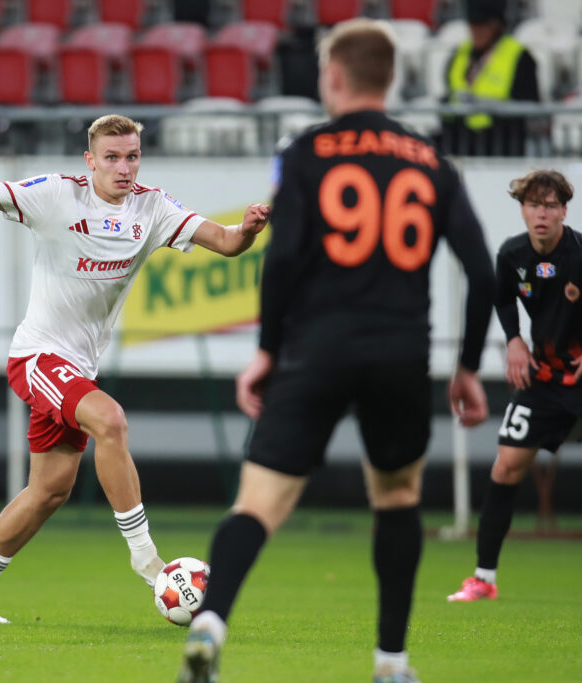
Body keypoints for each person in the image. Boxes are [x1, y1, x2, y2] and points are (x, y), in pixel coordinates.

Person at [177, 19, 497, 683]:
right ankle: (391, 661)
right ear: (392, 78)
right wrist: (467, 365)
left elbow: (282, 259)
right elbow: (482, 271)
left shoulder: (306, 152)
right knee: (398, 497)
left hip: (316, 350)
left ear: (334, 77)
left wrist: (267, 350)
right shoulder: (431, 161)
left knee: (257, 503)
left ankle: (210, 623)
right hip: (399, 353)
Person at [0, 114, 271, 624]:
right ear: (90, 160)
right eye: (112, 157)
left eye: (132, 156)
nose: (123, 168)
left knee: (49, 490)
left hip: (78, 368)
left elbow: (227, 242)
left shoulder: (152, 208)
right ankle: (146, 558)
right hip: (37, 357)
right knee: (110, 420)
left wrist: (247, 230)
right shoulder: (57, 195)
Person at [447, 169, 582, 605]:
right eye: (533, 205)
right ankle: (483, 578)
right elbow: (502, 297)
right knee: (506, 466)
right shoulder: (512, 255)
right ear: (522, 210)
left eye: (549, 206)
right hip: (545, 376)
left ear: (564, 211)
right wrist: (514, 340)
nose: (541, 214)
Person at [440, 0, 540, 156]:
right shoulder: (459, 53)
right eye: (472, 24)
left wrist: (486, 104)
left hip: (502, 147)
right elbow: (449, 93)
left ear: (497, 26)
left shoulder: (520, 56)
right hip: (461, 144)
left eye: (483, 24)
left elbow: (529, 105)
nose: (476, 30)